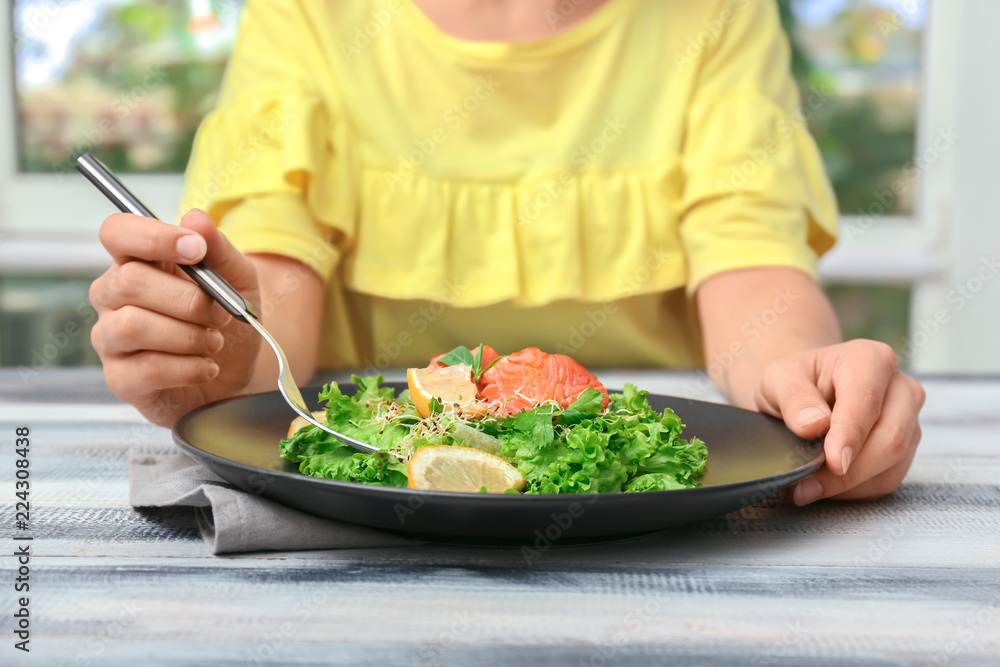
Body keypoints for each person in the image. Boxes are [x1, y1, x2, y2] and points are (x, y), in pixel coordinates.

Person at [89, 0, 924, 506]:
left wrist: (807, 384)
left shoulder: (712, 14)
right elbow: (274, 298)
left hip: (647, 527)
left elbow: (755, 276)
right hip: (367, 512)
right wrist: (225, 354)